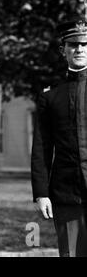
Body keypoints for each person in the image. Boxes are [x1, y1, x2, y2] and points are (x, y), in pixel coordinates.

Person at [31, 18, 87, 257]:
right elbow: (42, 148)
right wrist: (41, 193)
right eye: (73, 45)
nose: (80, 49)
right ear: (63, 50)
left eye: (85, 44)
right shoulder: (50, 96)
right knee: (71, 253)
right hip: (66, 194)